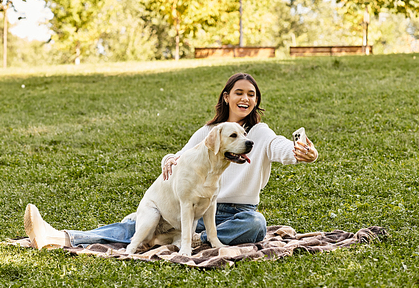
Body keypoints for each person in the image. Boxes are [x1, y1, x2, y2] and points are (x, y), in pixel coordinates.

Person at [24, 73, 318, 250]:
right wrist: (168, 158)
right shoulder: (207, 133)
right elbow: (181, 157)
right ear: (226, 97)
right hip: (190, 206)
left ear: (256, 101)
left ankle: (183, 239)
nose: (245, 98)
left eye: (251, 95)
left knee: (256, 224)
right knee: (141, 225)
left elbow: (283, 148)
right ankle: (59, 237)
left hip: (236, 212)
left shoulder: (260, 134)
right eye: (239, 93)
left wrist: (302, 151)